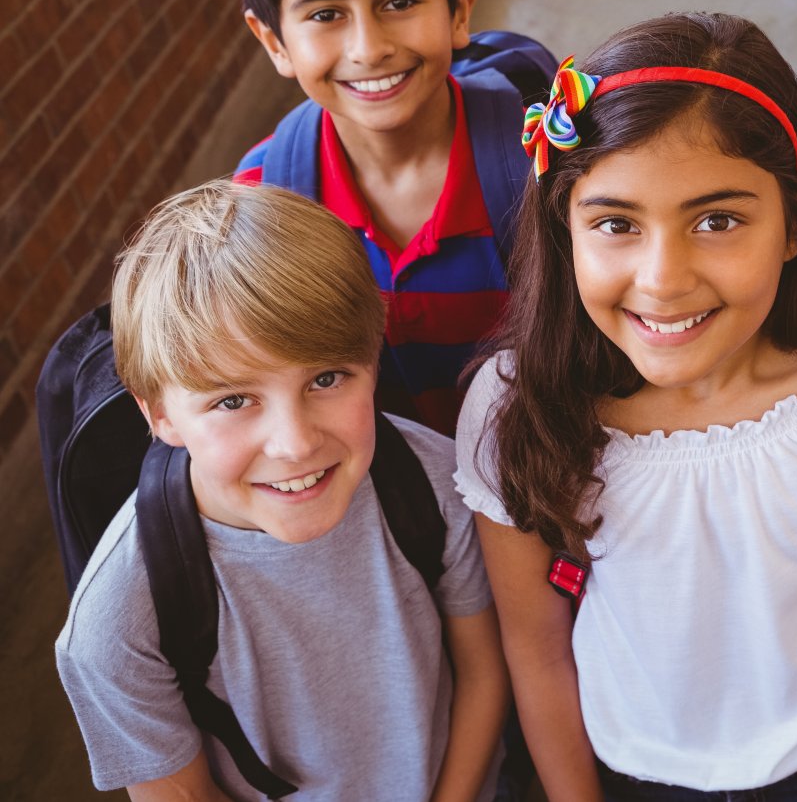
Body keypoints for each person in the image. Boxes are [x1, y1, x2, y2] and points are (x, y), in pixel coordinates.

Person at [455, 11, 797, 801]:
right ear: (565, 226)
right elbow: (536, 648)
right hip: (612, 765)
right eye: (616, 223)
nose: (663, 278)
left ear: (796, 223)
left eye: (717, 220)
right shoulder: (517, 406)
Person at [55, 180, 507, 801]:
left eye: (326, 378)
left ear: (373, 363)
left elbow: (484, 672)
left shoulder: (436, 482)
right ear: (160, 416)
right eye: (234, 400)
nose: (294, 443)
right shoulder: (119, 621)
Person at [231, 0, 544, 435]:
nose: (368, 48)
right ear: (273, 41)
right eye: (325, 14)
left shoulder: (545, 157)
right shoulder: (262, 202)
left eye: (399, 3)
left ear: (458, 11)